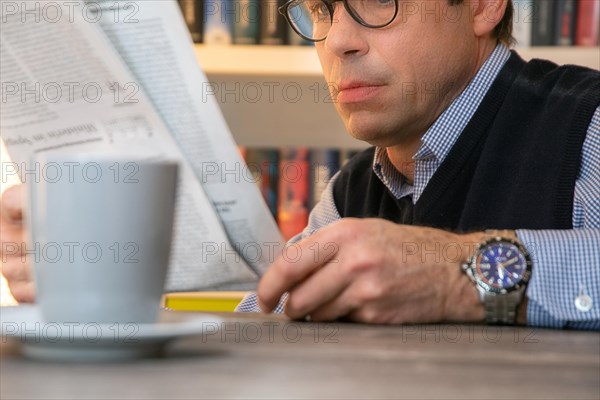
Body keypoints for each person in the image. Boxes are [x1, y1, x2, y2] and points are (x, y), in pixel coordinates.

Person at [2, 0, 599, 329]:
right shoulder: (350, 193)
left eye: (375, 3)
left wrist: (459, 274)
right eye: (319, 9)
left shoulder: (588, 122)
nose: (338, 41)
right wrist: (91, 304)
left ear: (483, 6)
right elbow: (256, 340)